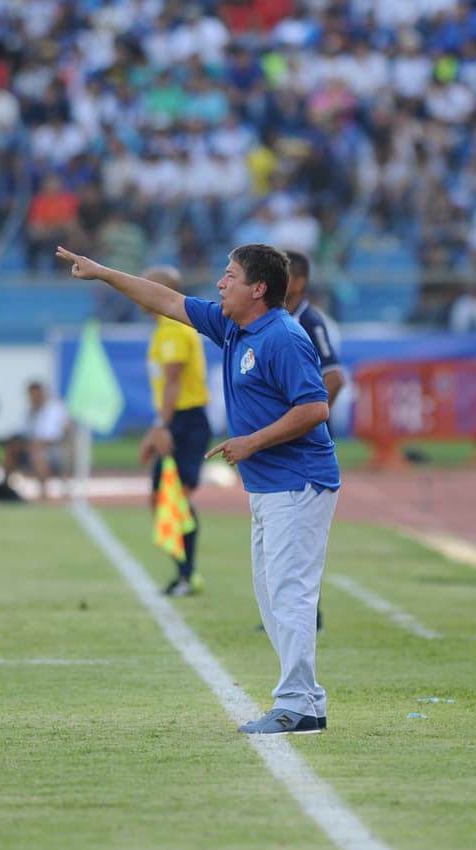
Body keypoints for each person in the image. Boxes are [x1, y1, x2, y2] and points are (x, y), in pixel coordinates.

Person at [58, 242, 339, 736]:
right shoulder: (233, 326)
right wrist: (103, 272)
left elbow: (316, 407)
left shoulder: (283, 337)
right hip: (271, 485)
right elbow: (166, 300)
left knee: (289, 592)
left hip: (299, 481)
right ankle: (307, 701)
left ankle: (296, 704)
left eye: (230, 276)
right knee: (271, 594)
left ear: (258, 288)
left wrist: (253, 441)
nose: (219, 283)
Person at [284, 250, 347, 631]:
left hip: (306, 445)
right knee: (285, 529)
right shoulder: (281, 318)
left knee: (301, 529)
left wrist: (307, 420)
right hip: (288, 441)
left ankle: (307, 612)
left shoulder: (309, 321)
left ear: (299, 282)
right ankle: (293, 611)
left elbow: (335, 377)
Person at [139, 266, 211, 597]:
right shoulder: (164, 328)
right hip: (177, 420)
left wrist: (161, 427)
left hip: (185, 421)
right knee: (162, 499)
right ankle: (184, 572)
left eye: (146, 285)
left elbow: (173, 383)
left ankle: (187, 575)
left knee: (174, 498)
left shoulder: (173, 329)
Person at [0, 381, 71, 498]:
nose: (33, 398)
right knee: (11, 449)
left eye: (36, 395)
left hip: (54, 453)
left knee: (37, 452)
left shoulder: (54, 410)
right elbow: (23, 433)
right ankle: (4, 490)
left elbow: (49, 439)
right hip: (32, 449)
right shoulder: (29, 412)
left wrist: (26, 445)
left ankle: (44, 494)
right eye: (31, 396)